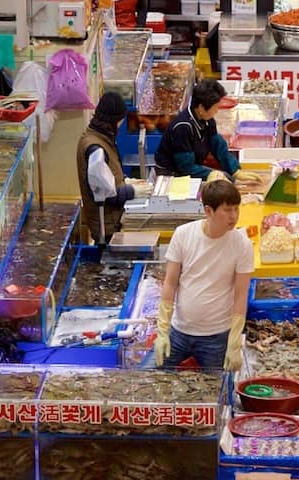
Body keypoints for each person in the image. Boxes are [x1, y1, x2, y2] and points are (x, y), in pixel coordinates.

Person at [154, 180, 253, 370]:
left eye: (236, 209)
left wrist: (234, 343)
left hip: (216, 336)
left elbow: (241, 294)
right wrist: (162, 331)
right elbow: (170, 283)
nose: (234, 216)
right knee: (148, 378)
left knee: (216, 392)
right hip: (179, 331)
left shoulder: (242, 244)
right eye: (227, 210)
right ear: (208, 211)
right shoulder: (183, 234)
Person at [76, 92, 137, 246]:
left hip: (111, 220)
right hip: (106, 226)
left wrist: (125, 181)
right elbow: (103, 193)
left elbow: (109, 176)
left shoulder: (99, 137)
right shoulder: (95, 148)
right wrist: (133, 191)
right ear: (114, 120)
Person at [154, 80, 241, 178]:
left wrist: (235, 170)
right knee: (221, 178)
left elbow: (217, 144)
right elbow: (185, 167)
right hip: (172, 173)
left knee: (227, 177)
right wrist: (211, 174)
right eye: (215, 107)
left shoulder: (207, 119)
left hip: (193, 166)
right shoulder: (183, 127)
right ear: (201, 107)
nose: (217, 111)